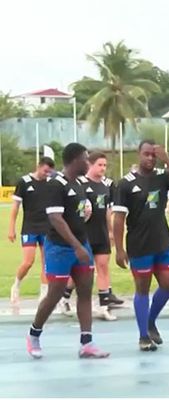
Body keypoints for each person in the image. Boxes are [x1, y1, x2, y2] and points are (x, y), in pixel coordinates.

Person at [26, 143, 109, 359]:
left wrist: (85, 217)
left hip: (82, 245)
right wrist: (76, 246)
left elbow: (78, 213)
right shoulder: (56, 184)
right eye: (85, 158)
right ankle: (34, 334)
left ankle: (86, 342)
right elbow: (55, 218)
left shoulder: (79, 184)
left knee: (84, 292)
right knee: (54, 295)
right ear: (74, 160)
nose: (88, 161)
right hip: (61, 248)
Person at [113, 140, 169, 351]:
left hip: (162, 240)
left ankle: (150, 321)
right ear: (138, 154)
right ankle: (142, 336)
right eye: (146, 154)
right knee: (142, 289)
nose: (150, 158)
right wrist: (119, 249)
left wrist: (167, 160)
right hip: (139, 244)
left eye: (153, 155)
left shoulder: (162, 176)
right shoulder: (125, 183)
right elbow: (119, 218)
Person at [60, 152, 124, 321]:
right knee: (81, 272)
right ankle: (64, 297)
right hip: (84, 235)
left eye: (105, 165)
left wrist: (110, 231)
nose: (103, 168)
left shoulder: (106, 185)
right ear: (90, 165)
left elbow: (108, 211)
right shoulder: (80, 183)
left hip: (101, 233)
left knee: (103, 267)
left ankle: (103, 307)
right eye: (99, 165)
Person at [8, 157, 55, 307]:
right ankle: (16, 285)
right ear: (39, 166)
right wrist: (11, 228)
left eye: (49, 172)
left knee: (46, 263)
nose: (46, 174)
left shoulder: (50, 183)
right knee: (28, 261)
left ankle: (43, 294)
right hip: (29, 227)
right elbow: (15, 207)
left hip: (46, 227)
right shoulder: (24, 182)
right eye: (45, 171)